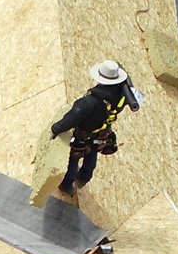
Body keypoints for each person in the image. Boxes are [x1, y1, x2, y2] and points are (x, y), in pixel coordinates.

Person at [49, 60, 141, 196]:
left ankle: (67, 185)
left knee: (74, 158)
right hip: (101, 134)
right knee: (91, 156)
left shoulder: (89, 102)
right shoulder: (122, 95)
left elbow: (72, 118)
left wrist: (55, 129)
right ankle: (83, 179)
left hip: (83, 135)